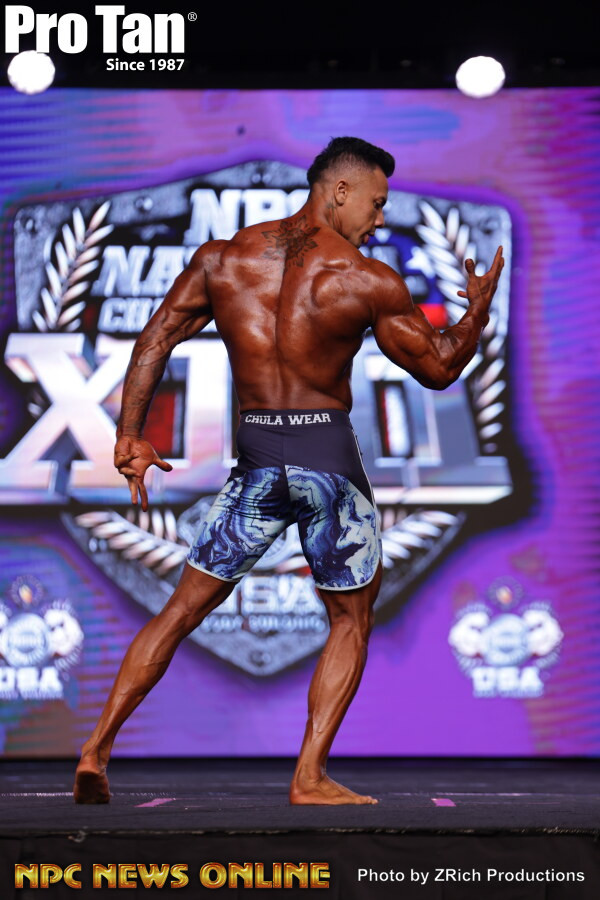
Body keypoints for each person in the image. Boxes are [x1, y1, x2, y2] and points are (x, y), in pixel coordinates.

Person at [74, 137, 504, 805]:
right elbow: (441, 368)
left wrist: (130, 434)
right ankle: (308, 776)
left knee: (181, 610)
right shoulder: (365, 278)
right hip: (327, 463)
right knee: (349, 620)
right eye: (376, 203)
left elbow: (155, 337)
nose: (379, 219)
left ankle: (95, 750)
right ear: (340, 190)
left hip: (257, 461)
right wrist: (476, 311)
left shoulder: (224, 260)